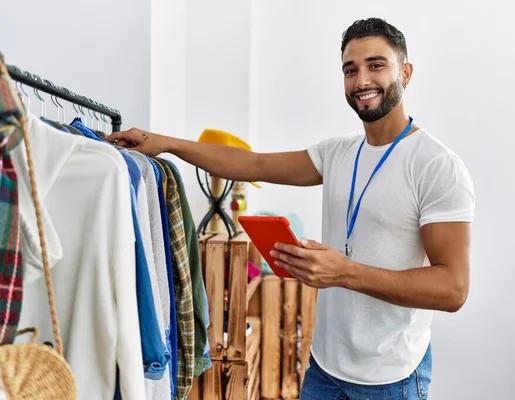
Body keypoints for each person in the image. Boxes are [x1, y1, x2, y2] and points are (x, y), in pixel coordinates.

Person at [107, 17, 475, 400]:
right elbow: (254, 164)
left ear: (406, 72)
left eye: (376, 65)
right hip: (325, 370)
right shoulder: (337, 153)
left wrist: (345, 272)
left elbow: (453, 288)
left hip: (393, 379)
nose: (362, 80)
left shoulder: (436, 165)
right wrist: (163, 142)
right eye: (351, 70)